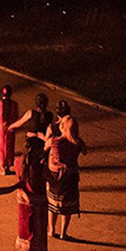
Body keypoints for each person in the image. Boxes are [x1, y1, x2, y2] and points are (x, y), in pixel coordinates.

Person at [46, 101, 87, 240]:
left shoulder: (56, 141)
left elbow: (45, 148)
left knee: (53, 204)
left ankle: (51, 230)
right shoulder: (78, 143)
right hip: (71, 175)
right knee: (67, 206)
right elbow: (85, 151)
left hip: (56, 175)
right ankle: (64, 232)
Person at [15, 136, 49, 251]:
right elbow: (50, 179)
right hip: (37, 201)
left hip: (22, 200)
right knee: (35, 232)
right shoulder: (39, 167)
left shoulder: (19, 162)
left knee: (24, 230)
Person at [0, 85, 21, 174]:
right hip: (10, 128)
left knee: (0, 148)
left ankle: (3, 169)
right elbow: (16, 116)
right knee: (9, 147)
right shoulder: (14, 104)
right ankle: (8, 167)